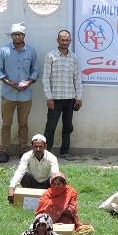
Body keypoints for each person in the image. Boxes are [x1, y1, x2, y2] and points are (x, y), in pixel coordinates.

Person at [0, 22, 39, 163]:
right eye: (14, 34)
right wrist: (9, 83)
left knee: (23, 124)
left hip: (25, 95)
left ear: (24, 35)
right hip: (8, 93)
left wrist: (29, 82)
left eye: (19, 34)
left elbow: (35, 70)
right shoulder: (3, 51)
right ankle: (4, 150)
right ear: (11, 35)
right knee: (6, 124)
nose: (17, 37)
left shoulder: (31, 51)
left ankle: (23, 150)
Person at [42, 29, 82, 159]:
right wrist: (49, 97)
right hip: (55, 99)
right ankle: (46, 153)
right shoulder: (51, 56)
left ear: (70, 41)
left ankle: (65, 152)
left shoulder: (73, 57)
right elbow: (45, 78)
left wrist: (79, 97)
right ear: (57, 40)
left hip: (70, 98)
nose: (65, 42)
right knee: (51, 127)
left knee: (68, 126)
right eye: (62, 39)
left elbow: (77, 78)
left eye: (67, 40)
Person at [7, 135, 59, 203]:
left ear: (45, 146)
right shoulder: (26, 156)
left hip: (47, 184)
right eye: (35, 147)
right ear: (32, 147)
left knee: (55, 178)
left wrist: (57, 190)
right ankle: (30, 195)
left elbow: (55, 173)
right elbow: (20, 171)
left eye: (40, 147)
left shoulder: (52, 158)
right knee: (24, 176)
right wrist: (11, 188)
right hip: (32, 183)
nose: (38, 149)